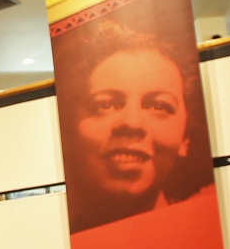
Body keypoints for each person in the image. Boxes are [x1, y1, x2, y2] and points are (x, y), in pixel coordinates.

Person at [60, 19, 208, 231]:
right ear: (72, 130)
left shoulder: (204, 230)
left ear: (185, 137)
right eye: (106, 104)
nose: (131, 123)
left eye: (159, 105)